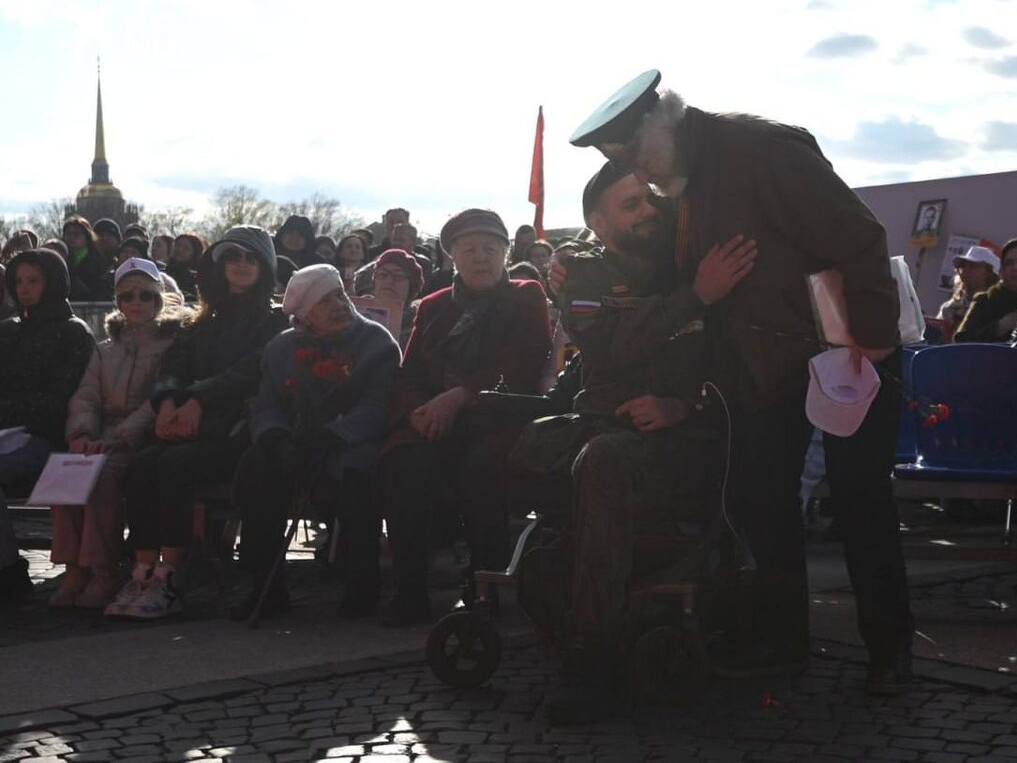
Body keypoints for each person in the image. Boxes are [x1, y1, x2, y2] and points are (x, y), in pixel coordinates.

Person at [568, 70, 912, 692]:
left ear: (661, 123)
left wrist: (874, 339)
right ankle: (783, 641)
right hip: (765, 370)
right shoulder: (680, 179)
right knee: (763, 499)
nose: (640, 176)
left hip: (849, 353)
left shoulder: (760, 148)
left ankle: (889, 652)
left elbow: (859, 237)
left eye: (638, 157)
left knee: (861, 501)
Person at [542, 163, 748, 720]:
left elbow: (730, 363)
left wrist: (683, 405)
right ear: (597, 222)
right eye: (629, 205)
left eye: (648, 200)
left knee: (609, 461)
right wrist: (695, 297)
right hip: (604, 438)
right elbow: (611, 349)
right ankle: (587, 649)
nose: (647, 212)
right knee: (600, 458)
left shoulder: (693, 261)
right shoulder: (583, 275)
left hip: (689, 445)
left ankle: (593, 648)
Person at [376, 209, 551, 626]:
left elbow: (524, 363)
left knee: (480, 469)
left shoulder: (526, 296)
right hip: (436, 419)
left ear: (507, 254)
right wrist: (420, 411)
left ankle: (482, 586)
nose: (480, 257)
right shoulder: (434, 305)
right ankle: (410, 589)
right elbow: (411, 372)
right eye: (469, 249)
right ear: (453, 256)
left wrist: (459, 397)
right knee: (405, 462)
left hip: (496, 417)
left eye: (490, 248)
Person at [106, 226, 286, 620]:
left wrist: (197, 399)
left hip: (235, 432)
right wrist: (168, 402)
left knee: (174, 465)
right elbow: (173, 366)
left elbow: (250, 371)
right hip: (185, 426)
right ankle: (143, 570)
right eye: (233, 257)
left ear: (264, 267)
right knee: (142, 465)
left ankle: (170, 574)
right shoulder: (203, 321)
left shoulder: (275, 321)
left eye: (250, 258)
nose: (241, 265)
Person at [231, 265, 400, 620]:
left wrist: (333, 435)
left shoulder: (376, 343)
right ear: (305, 316)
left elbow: (377, 405)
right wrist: (275, 437)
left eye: (339, 295)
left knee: (356, 474)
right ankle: (266, 586)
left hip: (353, 442)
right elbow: (266, 402)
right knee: (256, 467)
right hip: (297, 439)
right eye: (325, 302)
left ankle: (361, 584)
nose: (338, 305)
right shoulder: (281, 348)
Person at [52, 259, 191, 609]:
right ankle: (73, 567)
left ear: (158, 299)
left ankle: (103, 568)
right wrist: (82, 433)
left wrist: (122, 435)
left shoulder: (171, 346)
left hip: (142, 438)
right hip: (102, 435)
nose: (136, 302)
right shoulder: (105, 349)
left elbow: (158, 399)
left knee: (103, 477)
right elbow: (86, 395)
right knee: (66, 473)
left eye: (145, 295)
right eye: (127, 295)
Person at [0, 250, 95, 604]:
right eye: (18, 281)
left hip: (46, 438)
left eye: (33, 281)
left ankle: (8, 570)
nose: (24, 289)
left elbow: (59, 401)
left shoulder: (73, 333)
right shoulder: (8, 331)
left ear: (52, 282)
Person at [954, 238, 1017, 342]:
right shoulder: (985, 301)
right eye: (1009, 263)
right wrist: (999, 327)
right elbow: (961, 341)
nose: (1015, 267)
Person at [936, 245, 1000, 338]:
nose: (965, 270)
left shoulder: (999, 309)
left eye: (973, 266)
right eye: (963, 266)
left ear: (989, 273)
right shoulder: (949, 309)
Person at [61, 216, 112, 301]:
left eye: (76, 234)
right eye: (68, 234)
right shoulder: (59, 258)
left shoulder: (97, 261)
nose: (71, 237)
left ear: (87, 237)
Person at [167, 233, 206, 300]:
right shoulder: (164, 272)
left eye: (186, 248)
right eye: (177, 246)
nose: (180, 250)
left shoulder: (199, 278)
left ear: (195, 253)